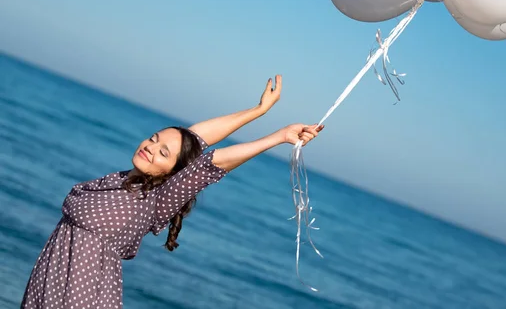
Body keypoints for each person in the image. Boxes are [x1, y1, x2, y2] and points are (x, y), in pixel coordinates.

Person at [21, 75, 323, 309]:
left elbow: (212, 162)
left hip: (82, 298)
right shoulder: (122, 180)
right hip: (48, 283)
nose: (150, 148)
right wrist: (256, 111)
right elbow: (193, 138)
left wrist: (279, 136)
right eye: (153, 139)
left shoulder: (157, 199)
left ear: (174, 173)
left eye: (162, 153)